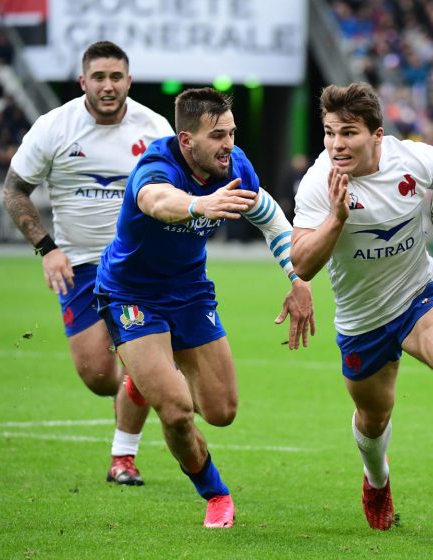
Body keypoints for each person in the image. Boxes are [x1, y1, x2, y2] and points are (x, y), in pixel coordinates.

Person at [291, 82, 433, 531]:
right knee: (374, 419)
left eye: (349, 133)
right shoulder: (320, 183)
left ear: (376, 135)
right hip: (362, 318)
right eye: (330, 132)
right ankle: (377, 480)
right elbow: (303, 263)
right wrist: (336, 218)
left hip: (419, 293)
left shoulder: (412, 158)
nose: (337, 144)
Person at [94, 87, 314, 528]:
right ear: (186, 140)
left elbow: (268, 213)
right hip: (130, 294)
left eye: (231, 133)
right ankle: (215, 493)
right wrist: (199, 204)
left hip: (190, 292)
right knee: (175, 410)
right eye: (217, 135)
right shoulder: (156, 165)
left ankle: (143, 381)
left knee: (221, 412)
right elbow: (155, 201)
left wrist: (297, 277)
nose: (228, 144)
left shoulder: (234, 166)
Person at [2, 41, 172, 486]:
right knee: (98, 375)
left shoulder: (154, 129)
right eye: (99, 77)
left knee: (136, 360)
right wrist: (46, 247)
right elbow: (14, 191)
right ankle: (146, 379)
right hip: (78, 266)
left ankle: (124, 457)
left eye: (116, 77)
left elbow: (177, 191)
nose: (108, 85)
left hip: (137, 265)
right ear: (83, 82)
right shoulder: (54, 127)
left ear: (129, 81)